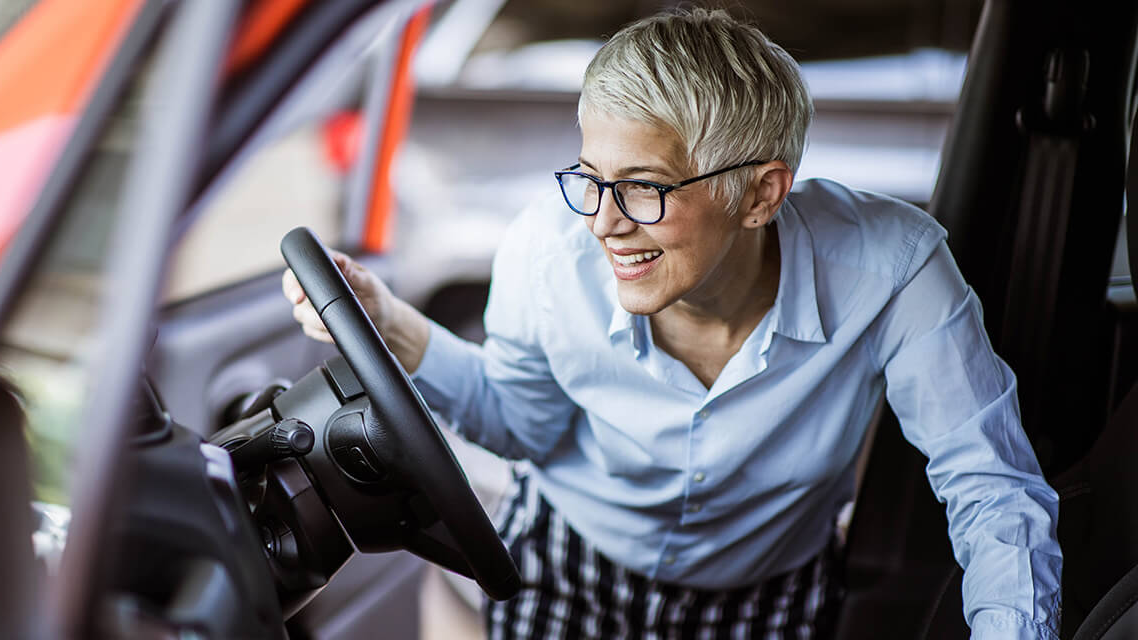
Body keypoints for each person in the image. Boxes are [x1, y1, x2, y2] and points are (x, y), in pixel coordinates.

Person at [284, 8, 1061, 639]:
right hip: (570, 559)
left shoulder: (896, 269)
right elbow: (523, 424)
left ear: (761, 195)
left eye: (644, 189)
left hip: (767, 592)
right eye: (589, 181)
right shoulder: (543, 251)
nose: (603, 224)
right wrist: (396, 327)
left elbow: (992, 489)